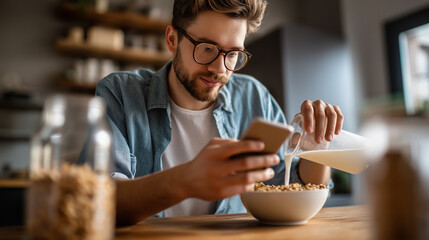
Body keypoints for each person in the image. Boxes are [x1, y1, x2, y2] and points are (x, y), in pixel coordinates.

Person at [96, 0, 344, 225]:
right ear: (172, 39)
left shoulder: (253, 96)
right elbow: (98, 199)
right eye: (206, 48)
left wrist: (316, 150)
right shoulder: (121, 94)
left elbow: (287, 185)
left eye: (233, 54)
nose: (219, 68)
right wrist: (186, 179)